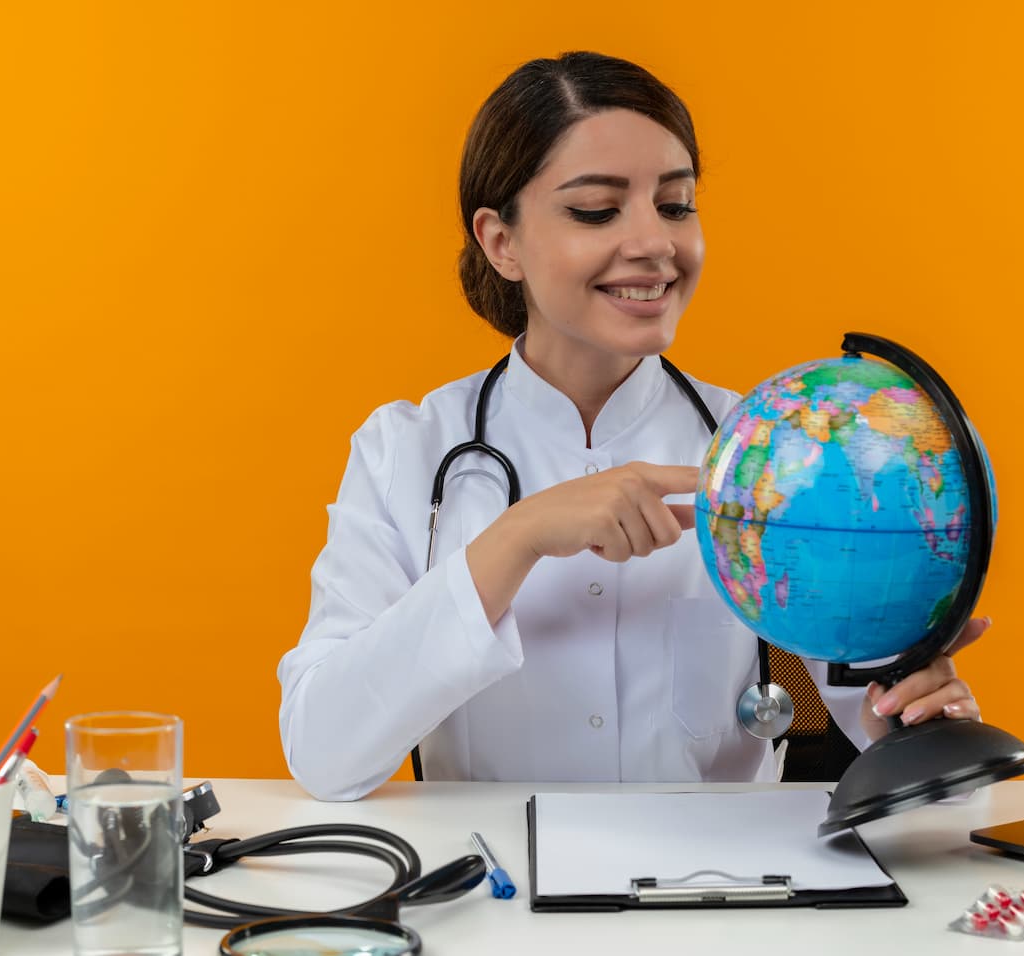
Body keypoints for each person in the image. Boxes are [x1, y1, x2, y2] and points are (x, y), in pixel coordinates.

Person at [277, 51, 988, 801]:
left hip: (717, 872)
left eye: (675, 205)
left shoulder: (779, 449)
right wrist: (516, 537)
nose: (655, 243)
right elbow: (324, 754)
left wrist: (912, 722)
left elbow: (873, 717)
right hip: (489, 874)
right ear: (500, 242)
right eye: (596, 210)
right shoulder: (405, 451)